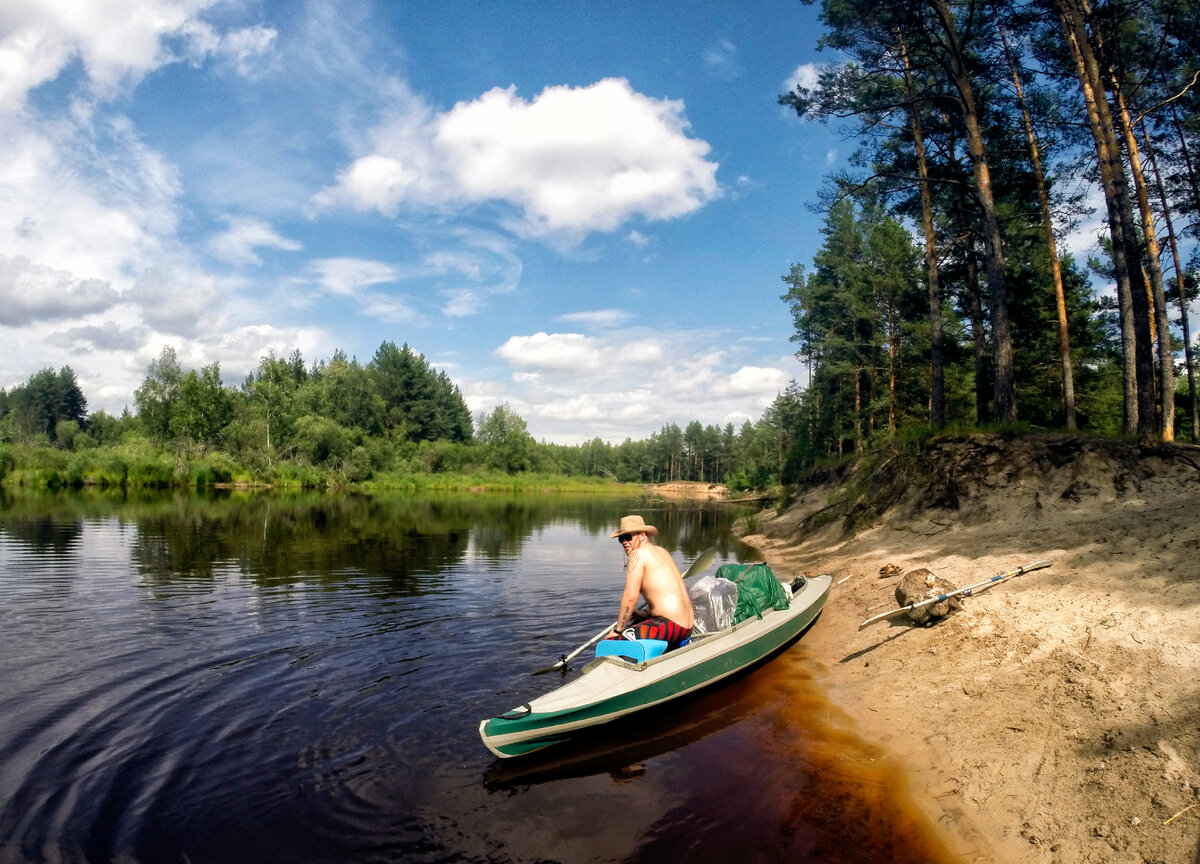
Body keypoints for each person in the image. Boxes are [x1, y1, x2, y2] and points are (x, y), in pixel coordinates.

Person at [605, 515, 694, 648]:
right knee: (637, 620)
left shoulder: (638, 555)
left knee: (609, 645)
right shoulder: (662, 551)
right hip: (687, 627)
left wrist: (618, 630)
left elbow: (630, 597)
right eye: (621, 538)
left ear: (642, 535)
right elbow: (665, 593)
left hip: (671, 626)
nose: (624, 542)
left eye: (628, 537)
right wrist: (645, 614)